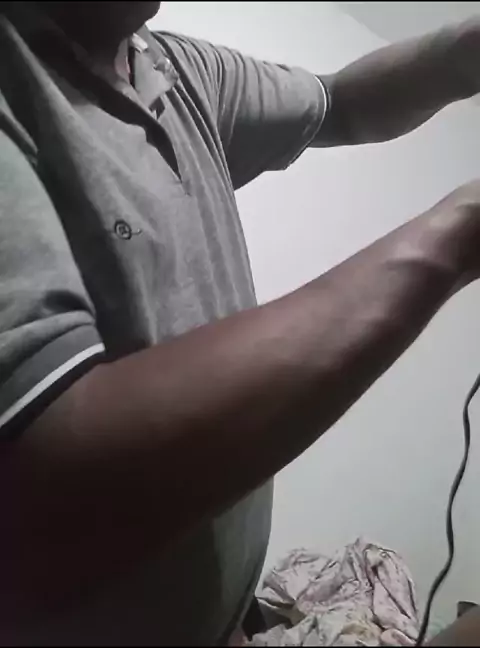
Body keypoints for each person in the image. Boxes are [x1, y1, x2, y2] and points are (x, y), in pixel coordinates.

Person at [0, 1, 479, 644]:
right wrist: (457, 236)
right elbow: (53, 485)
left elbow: (342, 104)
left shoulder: (173, 67)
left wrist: (467, 50)